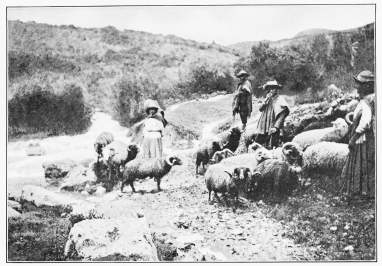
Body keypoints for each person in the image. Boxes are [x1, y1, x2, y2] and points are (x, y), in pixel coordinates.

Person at [341, 70, 375, 200]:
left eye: (359, 84)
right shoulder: (372, 98)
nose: (357, 87)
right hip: (368, 137)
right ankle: (366, 191)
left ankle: (361, 192)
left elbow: (365, 122)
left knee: (361, 163)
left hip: (362, 138)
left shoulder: (367, 100)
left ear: (367, 86)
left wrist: (353, 138)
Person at [255, 80, 290, 149]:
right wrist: (265, 101)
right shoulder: (268, 98)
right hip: (264, 125)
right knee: (259, 143)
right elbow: (260, 109)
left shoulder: (280, 99)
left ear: (277, 89)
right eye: (270, 89)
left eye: (273, 88)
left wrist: (276, 127)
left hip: (273, 125)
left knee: (274, 145)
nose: (271, 90)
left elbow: (282, 114)